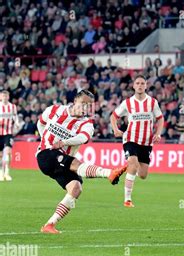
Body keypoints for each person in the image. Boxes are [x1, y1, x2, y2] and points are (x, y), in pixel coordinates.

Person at [36, 90, 127, 234]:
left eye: (89, 105)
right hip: (46, 155)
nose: (85, 107)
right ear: (75, 100)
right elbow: (41, 123)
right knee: (75, 163)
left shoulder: (87, 124)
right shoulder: (54, 110)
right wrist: (45, 142)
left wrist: (64, 142)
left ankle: (49, 225)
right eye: (83, 103)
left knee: (76, 188)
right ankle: (109, 173)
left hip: (62, 160)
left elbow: (82, 138)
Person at [110, 75, 164, 207]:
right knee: (133, 165)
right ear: (133, 86)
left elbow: (160, 118)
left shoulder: (152, 102)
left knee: (143, 175)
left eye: (142, 83)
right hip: (131, 139)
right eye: (137, 83)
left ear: (146, 86)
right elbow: (114, 116)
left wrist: (158, 133)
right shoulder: (127, 103)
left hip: (146, 142)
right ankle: (127, 200)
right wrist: (116, 129)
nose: (140, 86)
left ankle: (126, 167)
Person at [0, 91, 20, 181]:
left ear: (8, 97)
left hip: (8, 132)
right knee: (0, 155)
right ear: (1, 97)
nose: (4, 97)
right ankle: (1, 173)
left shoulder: (12, 107)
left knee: (7, 152)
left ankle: (7, 173)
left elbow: (15, 117)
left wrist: (17, 123)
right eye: (3, 96)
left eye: (6, 96)